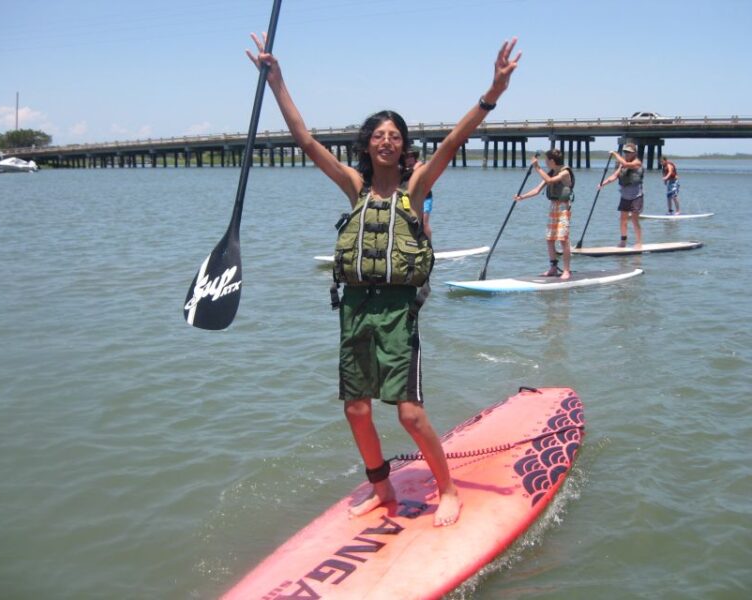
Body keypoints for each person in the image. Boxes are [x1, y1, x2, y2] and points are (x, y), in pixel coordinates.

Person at [246, 33, 520, 527]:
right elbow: (306, 140)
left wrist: (492, 93)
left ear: (403, 146)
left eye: (396, 135)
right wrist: (277, 82)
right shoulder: (354, 188)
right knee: (356, 408)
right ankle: (381, 486)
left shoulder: (416, 189)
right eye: (379, 135)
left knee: (409, 414)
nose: (388, 140)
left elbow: (455, 140)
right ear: (367, 145)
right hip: (354, 305)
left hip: (397, 310)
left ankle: (448, 489)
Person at [515, 148, 575, 280]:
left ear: (552, 161)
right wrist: (522, 197)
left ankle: (566, 270)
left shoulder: (564, 172)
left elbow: (549, 181)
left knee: (563, 239)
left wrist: (537, 167)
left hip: (564, 207)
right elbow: (537, 190)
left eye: (547, 160)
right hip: (553, 207)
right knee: (549, 239)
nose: (545, 162)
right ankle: (553, 268)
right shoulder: (551, 172)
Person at [598, 142, 644, 248]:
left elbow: (627, 164)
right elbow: (614, 176)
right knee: (623, 219)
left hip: (636, 195)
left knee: (634, 219)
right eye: (625, 152)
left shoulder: (637, 162)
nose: (627, 154)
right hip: (625, 196)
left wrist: (615, 154)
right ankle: (623, 241)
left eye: (629, 152)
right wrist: (602, 184)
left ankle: (639, 242)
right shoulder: (622, 164)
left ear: (634, 153)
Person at [404, 150, 434, 240]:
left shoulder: (420, 166)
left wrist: (413, 169)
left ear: (414, 158)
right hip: (409, 198)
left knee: (424, 223)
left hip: (425, 197)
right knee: (408, 223)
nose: (409, 159)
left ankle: (429, 247)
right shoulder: (403, 169)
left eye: (411, 157)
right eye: (406, 157)